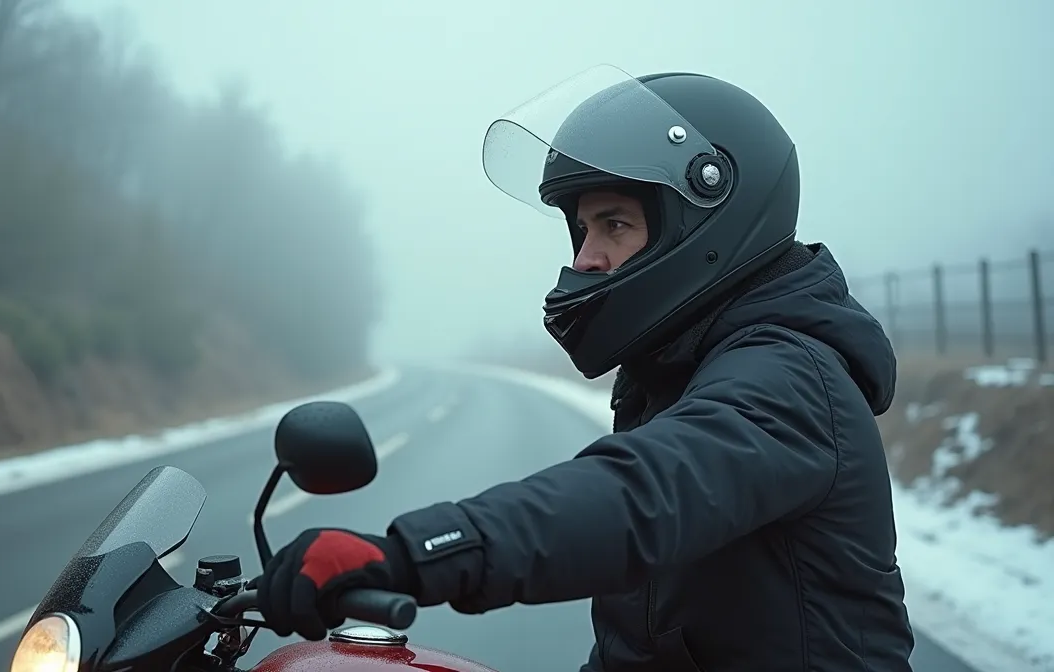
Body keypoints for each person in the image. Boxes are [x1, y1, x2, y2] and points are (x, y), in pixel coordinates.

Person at [254, 64, 916, 671]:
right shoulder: (674, 377)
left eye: (615, 225)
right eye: (581, 231)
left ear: (708, 223)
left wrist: (411, 554)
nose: (586, 259)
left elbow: (638, 496)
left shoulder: (792, 377)